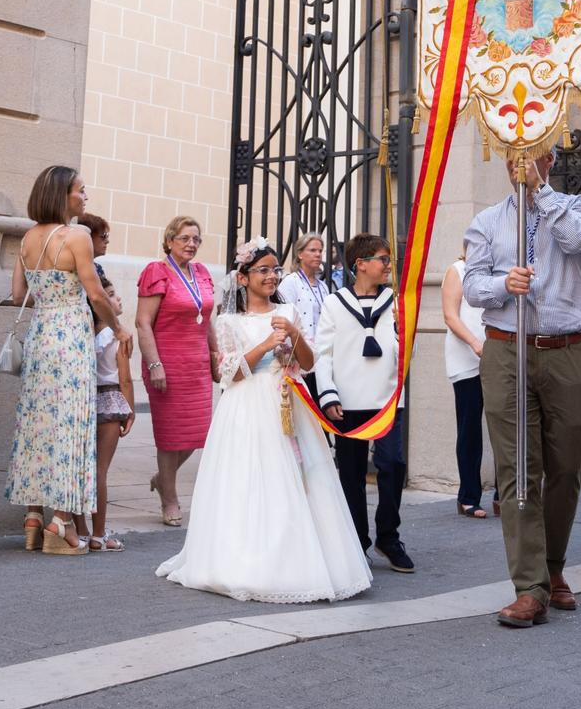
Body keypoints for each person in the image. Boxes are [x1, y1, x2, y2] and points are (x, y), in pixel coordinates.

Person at [155, 240, 370, 603]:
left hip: (288, 401)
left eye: (275, 270)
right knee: (253, 479)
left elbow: (308, 362)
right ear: (243, 278)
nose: (272, 277)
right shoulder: (229, 322)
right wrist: (267, 344)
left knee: (301, 479)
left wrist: (294, 334)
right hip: (247, 405)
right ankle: (251, 558)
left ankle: (305, 559)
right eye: (263, 270)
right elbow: (227, 373)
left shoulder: (287, 312)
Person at [464, 152, 581, 628]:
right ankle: (529, 586)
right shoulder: (486, 221)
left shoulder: (576, 206)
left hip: (566, 350)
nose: (521, 160)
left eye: (533, 151)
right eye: (513, 151)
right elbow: (473, 287)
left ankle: (554, 568)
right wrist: (504, 283)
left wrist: (540, 191)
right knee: (518, 467)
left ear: (550, 157)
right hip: (506, 349)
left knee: (566, 466)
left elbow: (579, 240)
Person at [4, 166, 118, 556]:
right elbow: (97, 294)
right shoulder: (77, 236)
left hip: (41, 336)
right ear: (61, 195)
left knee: (39, 427)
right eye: (80, 191)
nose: (85, 197)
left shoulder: (27, 239)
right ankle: (61, 521)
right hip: (71, 337)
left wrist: (51, 299)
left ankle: (33, 516)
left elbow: (19, 293)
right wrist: (118, 327)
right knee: (71, 427)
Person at [315, 232, 414, 574]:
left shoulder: (397, 304)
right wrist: (328, 395)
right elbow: (322, 354)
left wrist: (405, 333)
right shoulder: (334, 303)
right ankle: (357, 540)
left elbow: (402, 354)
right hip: (348, 401)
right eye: (383, 259)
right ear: (361, 265)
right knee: (352, 474)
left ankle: (389, 535)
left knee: (392, 464)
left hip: (387, 399)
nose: (388, 265)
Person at [136, 216, 217, 527]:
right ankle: (169, 500)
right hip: (167, 365)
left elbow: (206, 317)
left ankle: (162, 477)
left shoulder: (202, 273)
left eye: (196, 239)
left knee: (198, 435)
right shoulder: (157, 272)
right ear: (169, 240)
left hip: (196, 365)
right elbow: (143, 322)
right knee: (170, 438)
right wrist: (154, 363)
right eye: (184, 238)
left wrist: (214, 355)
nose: (191, 244)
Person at [78, 214, 133, 552]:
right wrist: (130, 409)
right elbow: (124, 376)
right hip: (111, 401)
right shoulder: (118, 336)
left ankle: (81, 529)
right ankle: (99, 534)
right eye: (111, 294)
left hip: (86, 398)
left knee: (84, 466)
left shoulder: (87, 335)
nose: (116, 299)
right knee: (100, 470)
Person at [441, 242, 493, 517]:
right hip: (467, 358)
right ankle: (468, 496)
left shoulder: (497, 272)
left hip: (498, 358)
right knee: (470, 427)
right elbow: (451, 315)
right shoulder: (458, 270)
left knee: (504, 428)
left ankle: (502, 493)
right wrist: (475, 344)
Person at [276, 230, 330, 344]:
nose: (318, 254)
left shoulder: (323, 286)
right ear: (300, 254)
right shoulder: (291, 282)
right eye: (312, 250)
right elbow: (284, 319)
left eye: (320, 251)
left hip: (322, 348)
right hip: (299, 347)